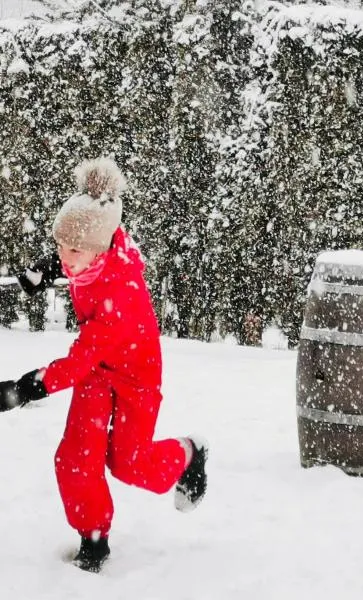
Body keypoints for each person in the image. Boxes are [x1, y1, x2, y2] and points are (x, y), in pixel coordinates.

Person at [0, 157, 208, 573]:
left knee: (129, 464)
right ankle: (93, 538)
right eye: (61, 246)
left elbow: (77, 362)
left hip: (134, 376)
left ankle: (188, 454)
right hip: (97, 371)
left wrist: (24, 389)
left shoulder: (121, 295)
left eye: (72, 251)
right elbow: (78, 247)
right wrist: (45, 268)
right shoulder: (95, 244)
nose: (65, 256)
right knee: (77, 457)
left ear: (97, 248)